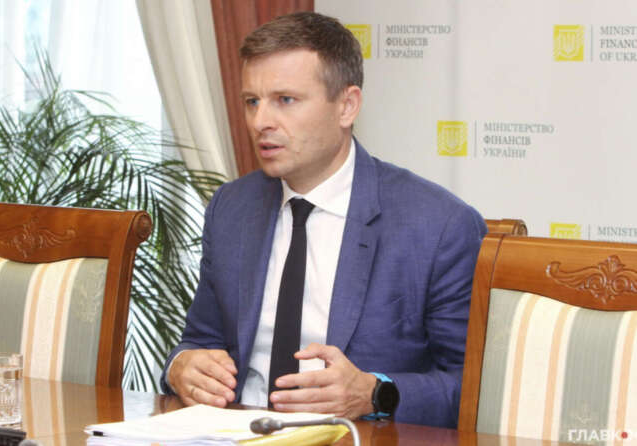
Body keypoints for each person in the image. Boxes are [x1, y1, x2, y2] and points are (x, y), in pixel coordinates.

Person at [161, 11, 487, 428]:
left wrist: (373, 392)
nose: (261, 122)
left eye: (285, 100)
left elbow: (472, 389)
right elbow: (200, 342)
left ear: (346, 106)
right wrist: (182, 366)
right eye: (252, 101)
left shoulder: (439, 225)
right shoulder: (232, 208)